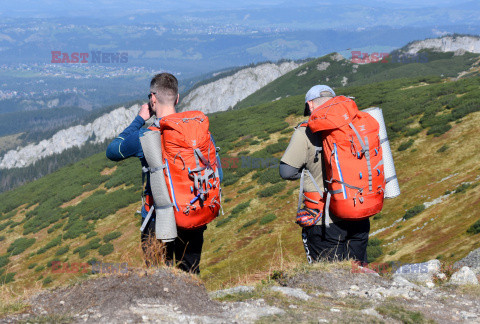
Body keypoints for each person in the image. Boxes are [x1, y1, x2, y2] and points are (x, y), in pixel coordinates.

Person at [106, 73, 219, 274]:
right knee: (190, 274)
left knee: (158, 278)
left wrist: (139, 119)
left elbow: (113, 150)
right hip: (192, 214)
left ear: (152, 98)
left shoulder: (147, 135)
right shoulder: (199, 133)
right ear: (177, 99)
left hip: (157, 219)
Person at [279, 85, 370, 264]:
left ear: (311, 105)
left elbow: (286, 171)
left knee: (331, 280)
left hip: (325, 219)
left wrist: (307, 175)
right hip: (358, 212)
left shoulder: (306, 131)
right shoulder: (355, 124)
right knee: (359, 273)